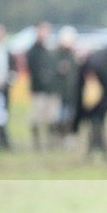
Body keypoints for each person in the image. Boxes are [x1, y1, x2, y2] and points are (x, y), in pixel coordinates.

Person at [26, 21, 59, 149]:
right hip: (39, 90)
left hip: (51, 89)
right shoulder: (33, 51)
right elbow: (34, 70)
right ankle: (37, 144)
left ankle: (50, 143)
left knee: (51, 118)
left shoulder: (49, 49)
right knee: (36, 118)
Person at [53, 25, 81, 147]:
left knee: (69, 117)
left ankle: (66, 137)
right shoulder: (56, 55)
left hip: (71, 93)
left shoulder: (72, 55)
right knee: (59, 117)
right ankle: (58, 138)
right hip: (60, 93)